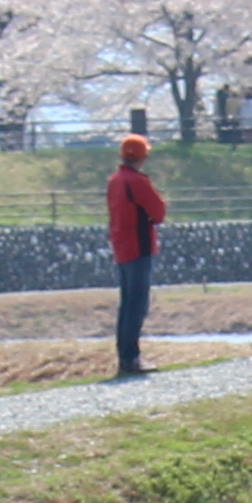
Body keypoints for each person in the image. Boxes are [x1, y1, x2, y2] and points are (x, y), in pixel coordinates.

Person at [104, 132, 169, 378]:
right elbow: (159, 212)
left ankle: (125, 356)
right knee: (137, 305)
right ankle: (132, 358)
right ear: (143, 157)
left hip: (121, 246)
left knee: (127, 304)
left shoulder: (115, 180)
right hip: (139, 246)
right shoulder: (137, 181)